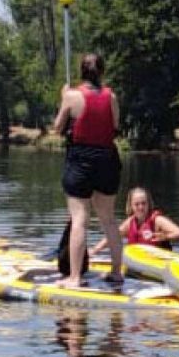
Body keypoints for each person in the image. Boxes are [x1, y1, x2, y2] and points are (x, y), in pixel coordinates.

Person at [53, 53, 123, 288]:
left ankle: (74, 277)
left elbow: (57, 128)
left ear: (81, 72)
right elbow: (114, 127)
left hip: (81, 160)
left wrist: (63, 98)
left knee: (79, 218)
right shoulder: (111, 96)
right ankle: (116, 271)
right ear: (101, 72)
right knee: (109, 219)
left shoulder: (72, 96)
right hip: (107, 159)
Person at [88, 186, 179, 255]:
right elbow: (113, 236)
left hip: (157, 262)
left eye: (144, 203)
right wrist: (95, 250)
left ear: (149, 203)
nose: (141, 207)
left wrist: (166, 236)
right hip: (138, 263)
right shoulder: (130, 222)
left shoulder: (157, 220)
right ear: (131, 206)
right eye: (137, 204)